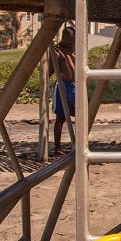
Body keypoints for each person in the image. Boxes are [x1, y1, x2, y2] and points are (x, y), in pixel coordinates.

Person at [52, 25, 75, 157]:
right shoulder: (57, 50)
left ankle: (78, 143)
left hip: (74, 85)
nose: (73, 42)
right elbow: (51, 70)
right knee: (60, 118)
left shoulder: (74, 50)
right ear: (65, 37)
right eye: (71, 40)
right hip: (63, 86)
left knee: (81, 114)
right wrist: (60, 59)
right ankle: (57, 147)